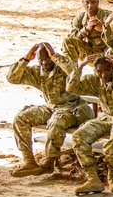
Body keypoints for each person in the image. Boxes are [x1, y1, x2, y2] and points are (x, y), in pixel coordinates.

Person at [6, 42, 92, 177]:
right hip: (51, 107)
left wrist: (55, 56)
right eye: (41, 60)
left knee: (55, 123)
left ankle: (50, 161)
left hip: (72, 108)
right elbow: (12, 78)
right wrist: (26, 59)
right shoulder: (37, 72)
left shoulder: (62, 69)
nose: (44, 63)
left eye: (47, 59)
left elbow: (74, 72)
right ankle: (29, 161)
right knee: (20, 118)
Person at [66, 54, 113, 195]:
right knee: (78, 137)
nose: (103, 75)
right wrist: (81, 66)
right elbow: (72, 88)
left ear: (112, 69)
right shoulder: (95, 81)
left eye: (106, 70)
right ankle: (92, 178)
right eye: (99, 71)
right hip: (105, 118)